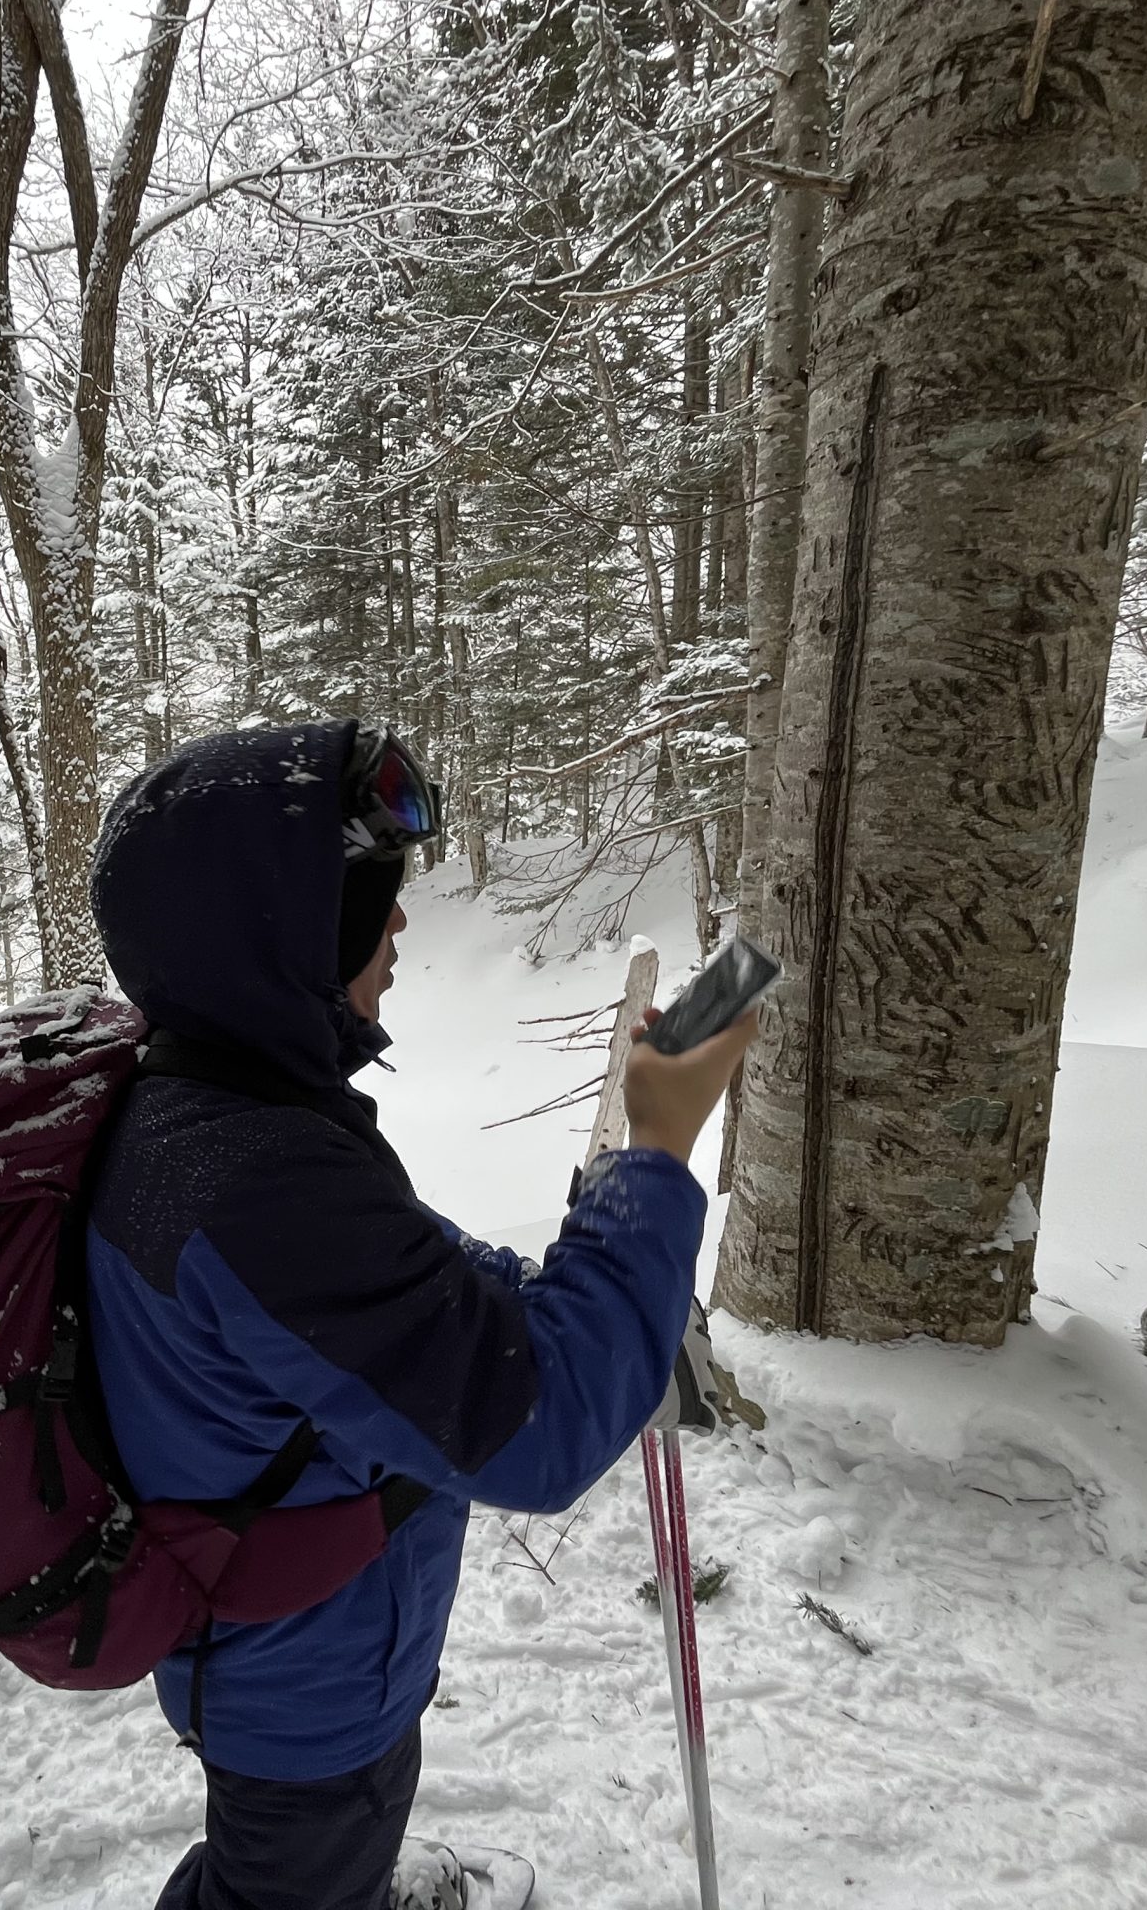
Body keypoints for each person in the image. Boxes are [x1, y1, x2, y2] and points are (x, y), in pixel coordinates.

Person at [84, 720, 756, 1910]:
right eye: (370, 900)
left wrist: (580, 1282)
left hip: (287, 1651)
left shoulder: (215, 1106)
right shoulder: (254, 1181)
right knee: (290, 1878)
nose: (397, 925)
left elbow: (416, 1286)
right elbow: (534, 1434)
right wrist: (656, 1151)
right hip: (304, 1687)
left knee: (287, 1865)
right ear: (274, 930)